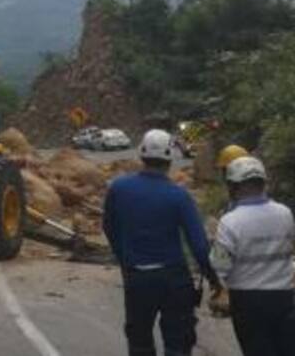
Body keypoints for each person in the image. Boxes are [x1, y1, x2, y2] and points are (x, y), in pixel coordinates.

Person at [103, 129, 222, 356]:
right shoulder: (179, 196)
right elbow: (199, 246)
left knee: (139, 342)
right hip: (174, 280)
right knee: (178, 342)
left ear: (141, 155)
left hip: (137, 278)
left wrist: (124, 258)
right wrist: (214, 279)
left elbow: (109, 228)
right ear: (170, 158)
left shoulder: (118, 189)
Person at [210, 156, 295, 356]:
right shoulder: (285, 213)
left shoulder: (230, 222)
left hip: (247, 302)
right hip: (284, 297)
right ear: (263, 183)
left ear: (233, 186)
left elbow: (220, 265)